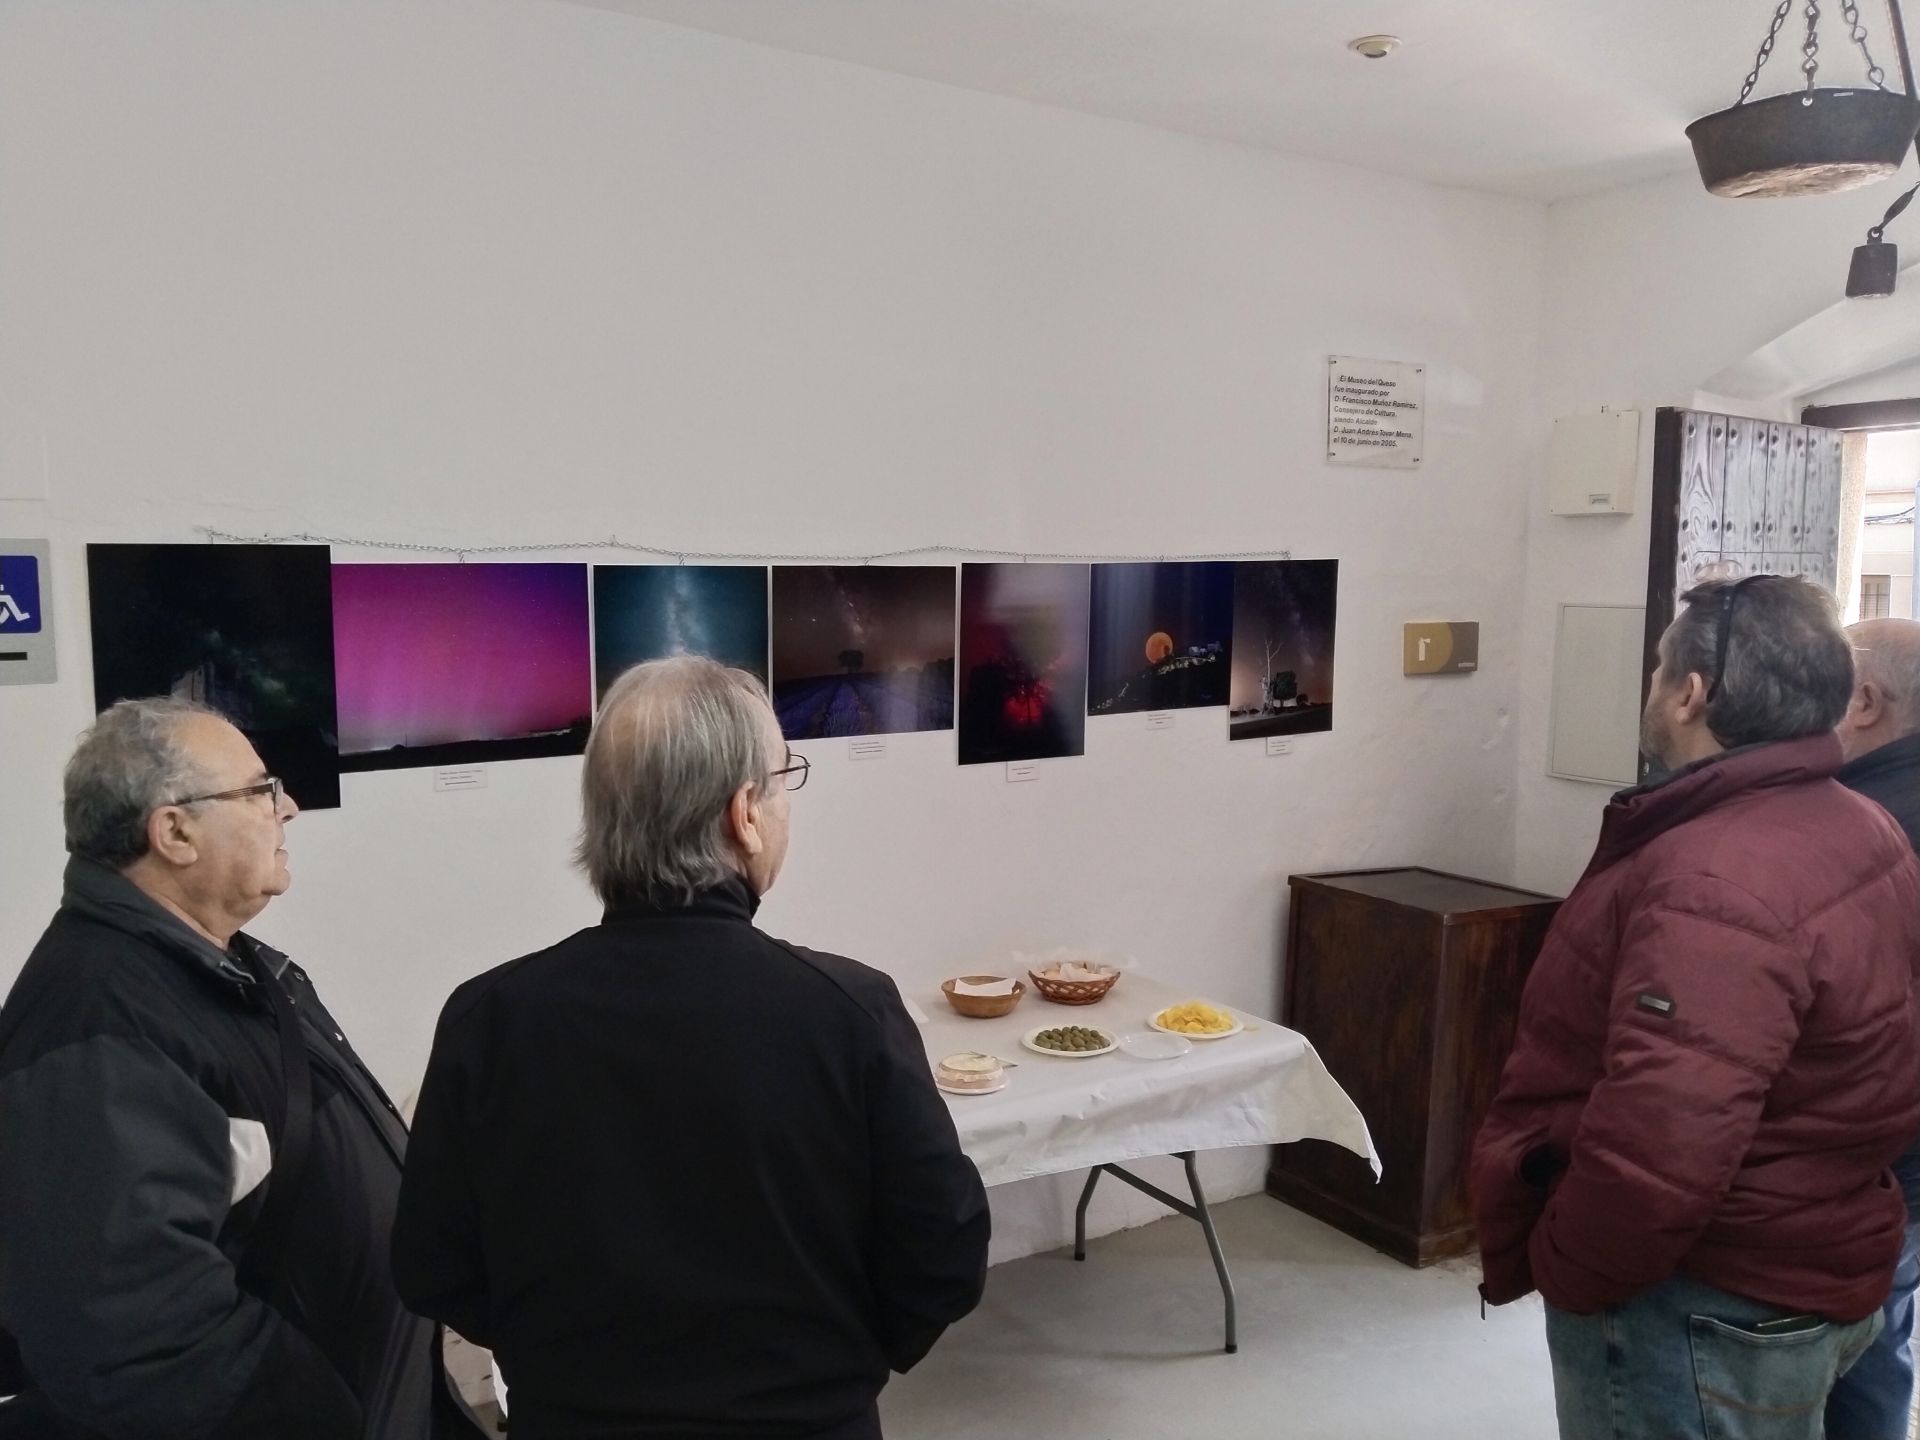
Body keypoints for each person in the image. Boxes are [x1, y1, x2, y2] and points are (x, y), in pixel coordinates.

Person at [393, 656, 990, 1440]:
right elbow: (942, 1251)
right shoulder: (848, 1012)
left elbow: (433, 1265)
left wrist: (568, 1367)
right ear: (745, 812)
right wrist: (839, 1366)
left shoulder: (489, 1018)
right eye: (786, 778)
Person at [1473, 575, 1920, 1440]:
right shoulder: (1857, 825)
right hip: (1814, 1251)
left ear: (1691, 694)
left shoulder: (1712, 876)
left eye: (1656, 671)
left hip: (1706, 1302)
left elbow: (1665, 1133)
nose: (1650, 689)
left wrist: (1569, 1264)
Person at [0, 698, 473, 1439]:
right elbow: (137, 1333)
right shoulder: (99, 1025)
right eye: (258, 791)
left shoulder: (217, 969)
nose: (287, 809)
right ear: (175, 832)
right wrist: (324, 1411)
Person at [1827, 617, 1920, 1439]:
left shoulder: (1856, 832)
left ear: (1861, 700)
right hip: (1908, 1177)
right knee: (1885, 1342)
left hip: (1861, 1165)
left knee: (1838, 1365)